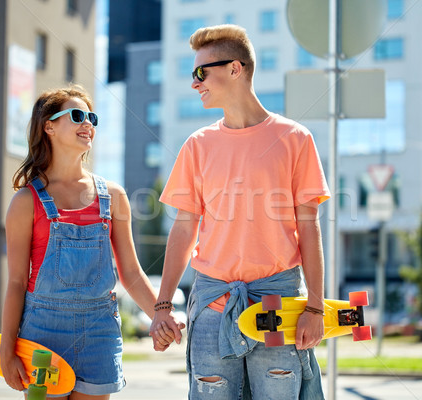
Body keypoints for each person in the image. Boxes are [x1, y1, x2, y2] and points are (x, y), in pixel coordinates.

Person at [150, 25, 331, 399]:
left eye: (201, 72)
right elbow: (184, 231)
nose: (194, 83)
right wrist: (163, 305)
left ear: (235, 68)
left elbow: (309, 228)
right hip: (213, 309)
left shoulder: (295, 139)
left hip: (277, 306)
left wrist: (315, 306)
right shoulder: (197, 146)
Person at [0, 85, 177, 399]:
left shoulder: (114, 196)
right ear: (49, 126)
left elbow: (132, 275)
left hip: (99, 333)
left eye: (91, 117)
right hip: (43, 332)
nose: (88, 124)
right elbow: (16, 282)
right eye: (78, 115)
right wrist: (7, 349)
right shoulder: (26, 201)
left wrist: (160, 315)